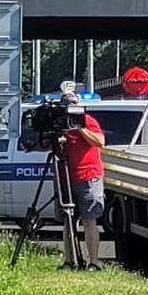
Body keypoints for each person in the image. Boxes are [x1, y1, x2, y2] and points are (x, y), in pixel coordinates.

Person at [60, 98, 107, 269]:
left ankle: (93, 262)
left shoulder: (87, 120)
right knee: (68, 220)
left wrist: (80, 127)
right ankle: (69, 260)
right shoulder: (60, 124)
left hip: (88, 176)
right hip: (65, 177)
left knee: (89, 220)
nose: (70, 108)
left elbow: (100, 141)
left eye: (73, 104)